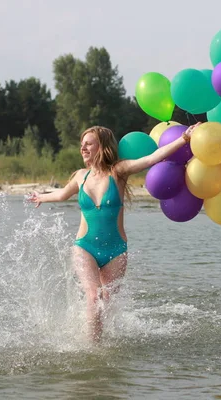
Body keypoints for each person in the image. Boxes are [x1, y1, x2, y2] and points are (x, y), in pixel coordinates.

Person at [27, 124, 198, 340]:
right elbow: (61, 194)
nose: (83, 148)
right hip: (85, 246)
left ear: (102, 146)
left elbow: (151, 159)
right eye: (82, 145)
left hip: (116, 250)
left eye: (89, 144)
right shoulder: (81, 176)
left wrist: (183, 138)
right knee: (93, 295)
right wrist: (40, 197)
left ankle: (101, 337)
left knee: (107, 301)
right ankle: (93, 349)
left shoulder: (119, 172)